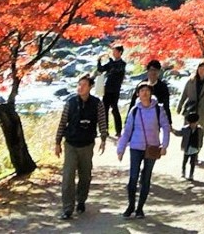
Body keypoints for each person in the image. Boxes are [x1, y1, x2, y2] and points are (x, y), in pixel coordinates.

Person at [114, 82, 172, 218]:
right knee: (133, 177)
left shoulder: (158, 109)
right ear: (137, 94)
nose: (144, 93)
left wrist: (164, 145)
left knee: (146, 178)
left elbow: (165, 127)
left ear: (151, 93)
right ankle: (130, 206)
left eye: (147, 90)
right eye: (141, 91)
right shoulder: (134, 110)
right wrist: (120, 148)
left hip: (152, 148)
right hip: (135, 147)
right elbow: (127, 131)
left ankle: (140, 208)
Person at [54, 73, 103, 218]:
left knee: (85, 175)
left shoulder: (97, 103)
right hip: (71, 143)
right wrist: (57, 142)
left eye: (84, 85)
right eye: (79, 85)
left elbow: (102, 121)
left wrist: (104, 138)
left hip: (87, 144)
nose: (80, 88)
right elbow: (63, 123)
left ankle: (81, 200)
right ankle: (67, 208)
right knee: (68, 176)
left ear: (90, 87)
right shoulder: (71, 102)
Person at [177, 60, 204, 180]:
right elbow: (184, 94)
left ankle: (195, 154)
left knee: (199, 133)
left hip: (201, 112)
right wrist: (179, 106)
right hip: (190, 110)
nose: (201, 70)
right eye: (200, 68)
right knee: (187, 132)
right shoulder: (191, 80)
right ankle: (186, 152)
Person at [96, 44, 130, 136]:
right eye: (113, 51)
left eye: (115, 51)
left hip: (115, 90)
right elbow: (100, 69)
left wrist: (110, 61)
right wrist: (99, 60)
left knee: (115, 109)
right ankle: (104, 130)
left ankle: (118, 131)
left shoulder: (122, 64)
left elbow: (116, 70)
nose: (113, 53)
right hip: (107, 89)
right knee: (104, 109)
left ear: (120, 52)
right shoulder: (111, 63)